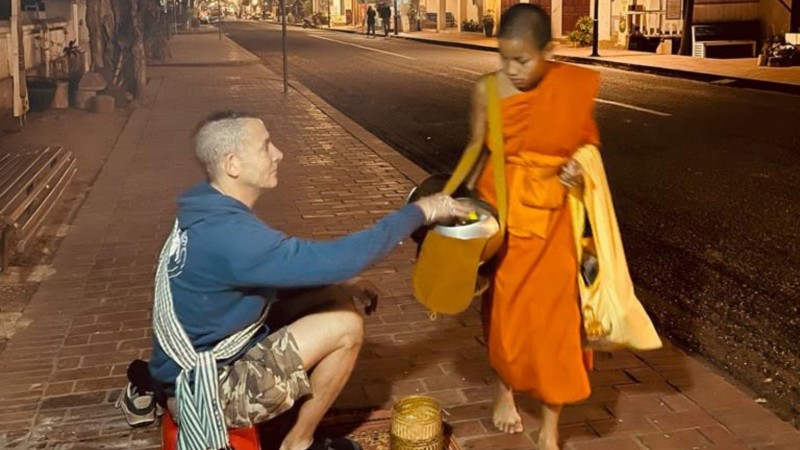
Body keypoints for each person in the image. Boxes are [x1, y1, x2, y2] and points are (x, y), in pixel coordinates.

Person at [148, 111, 470, 450]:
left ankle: (287, 424)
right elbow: (339, 258)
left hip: (207, 358)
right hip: (208, 388)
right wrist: (423, 211)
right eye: (265, 146)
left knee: (335, 297)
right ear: (233, 164)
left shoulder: (206, 207)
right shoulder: (230, 235)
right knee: (345, 325)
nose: (278, 154)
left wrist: (341, 284)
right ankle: (298, 443)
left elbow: (274, 273)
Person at [464, 5, 601, 450]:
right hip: (504, 214)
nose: (512, 70)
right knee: (505, 316)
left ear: (549, 50)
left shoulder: (572, 88)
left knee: (557, 322)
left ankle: (551, 424)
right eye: (504, 58)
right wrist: (459, 209)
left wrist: (577, 169)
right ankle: (504, 390)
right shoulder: (486, 90)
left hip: (555, 218)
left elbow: (588, 149)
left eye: (522, 60)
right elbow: (476, 152)